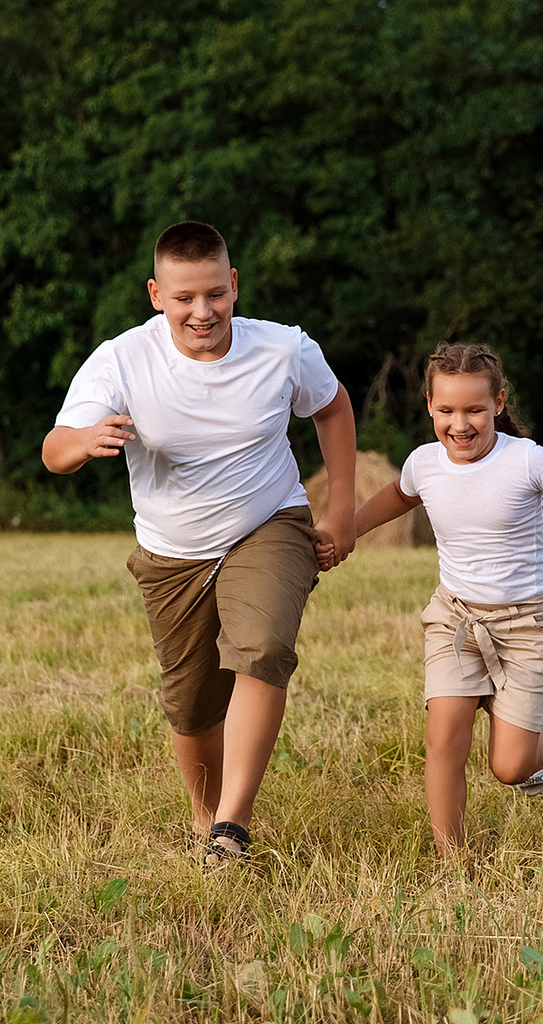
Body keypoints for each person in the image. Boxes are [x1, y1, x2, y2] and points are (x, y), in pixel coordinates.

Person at [42, 221, 358, 870]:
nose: (203, 311)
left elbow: (333, 406)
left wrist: (342, 511)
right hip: (172, 550)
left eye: (215, 293)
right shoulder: (121, 359)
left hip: (269, 521)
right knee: (190, 703)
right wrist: (83, 441)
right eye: (185, 297)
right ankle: (203, 819)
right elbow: (54, 448)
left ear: (234, 284)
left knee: (263, 646)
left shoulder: (283, 349)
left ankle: (232, 826)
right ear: (158, 293)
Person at [345, 343, 543, 859]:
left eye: (474, 409)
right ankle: (452, 860)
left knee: (510, 769)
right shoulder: (424, 463)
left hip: (527, 625)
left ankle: (536, 740)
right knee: (443, 740)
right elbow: (399, 497)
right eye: (447, 410)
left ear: (498, 402)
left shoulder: (526, 458)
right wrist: (347, 529)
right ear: (429, 404)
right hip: (455, 617)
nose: (460, 423)